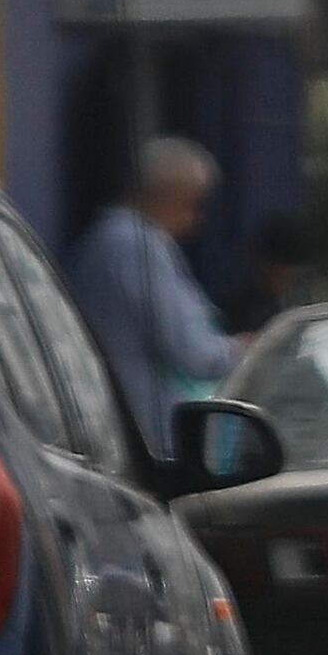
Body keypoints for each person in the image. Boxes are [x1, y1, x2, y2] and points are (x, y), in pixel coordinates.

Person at [70, 135, 237, 455]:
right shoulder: (137, 246)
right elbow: (194, 353)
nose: (198, 220)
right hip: (148, 435)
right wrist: (244, 349)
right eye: (194, 204)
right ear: (170, 196)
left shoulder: (105, 240)